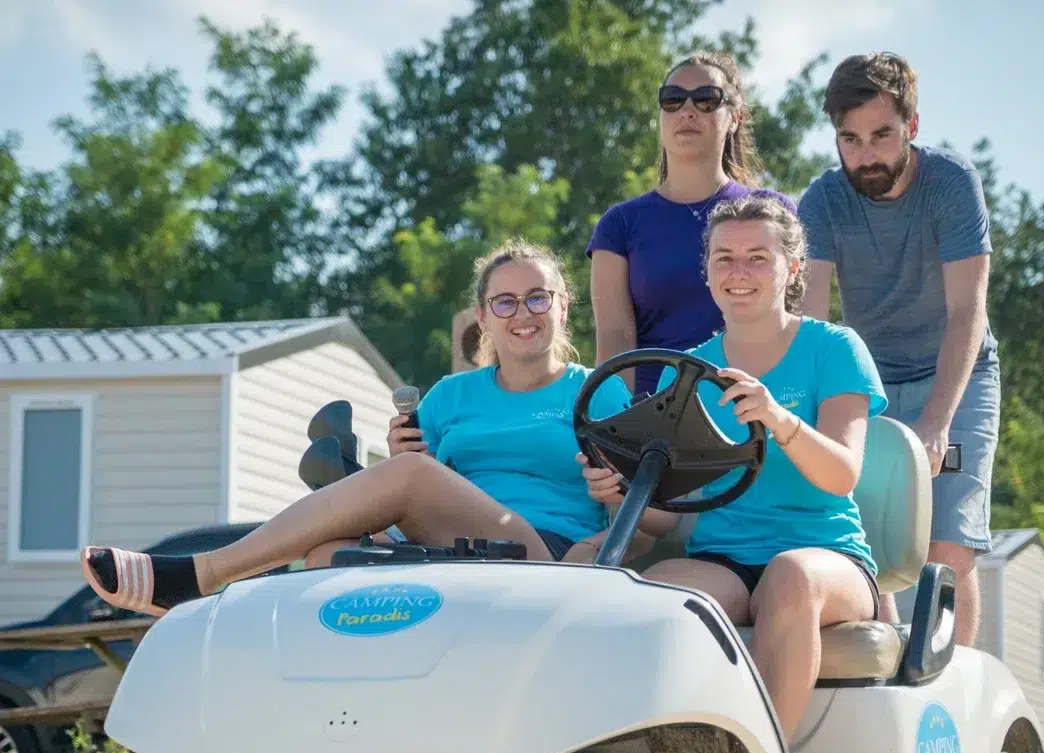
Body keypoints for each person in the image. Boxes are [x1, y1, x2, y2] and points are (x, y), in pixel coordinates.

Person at [79, 241, 665, 616]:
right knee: (327, 554)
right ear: (483, 317)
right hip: (451, 552)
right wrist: (397, 468)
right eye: (506, 302)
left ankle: (205, 573)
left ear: (563, 307)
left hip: (545, 553)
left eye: (538, 298)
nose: (524, 314)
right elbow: (420, 490)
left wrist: (604, 525)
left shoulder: (599, 390)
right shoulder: (449, 396)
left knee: (410, 474)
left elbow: (641, 518)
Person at [582, 194, 887, 740]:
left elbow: (842, 475)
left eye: (757, 257)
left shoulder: (835, 348)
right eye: (724, 258)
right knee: (645, 596)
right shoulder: (695, 368)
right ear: (707, 272)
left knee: (789, 579)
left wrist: (779, 419)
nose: (738, 272)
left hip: (828, 557)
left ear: (792, 268)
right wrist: (621, 490)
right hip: (725, 560)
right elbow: (676, 517)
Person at [798, 52, 999, 646]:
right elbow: (811, 322)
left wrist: (938, 422)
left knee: (946, 551)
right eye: (849, 139)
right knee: (869, 546)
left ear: (911, 127)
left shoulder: (951, 184)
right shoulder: (822, 202)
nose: (865, 156)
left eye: (881, 135)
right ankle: (891, 673)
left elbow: (968, 311)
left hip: (957, 374)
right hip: (872, 382)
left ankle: (955, 695)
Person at [587, 50, 797, 399]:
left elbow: (792, 327)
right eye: (672, 99)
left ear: (735, 117)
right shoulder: (619, 225)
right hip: (654, 417)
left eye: (705, 99)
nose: (687, 110)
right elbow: (614, 344)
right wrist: (614, 430)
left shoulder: (774, 211)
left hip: (756, 405)